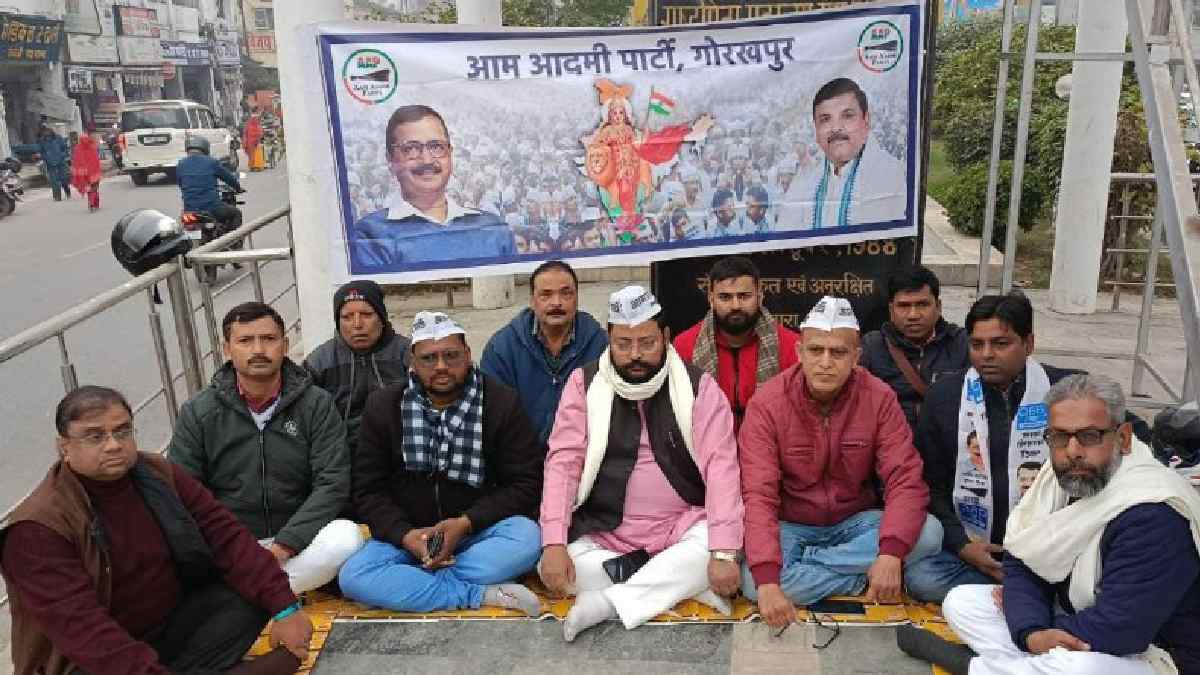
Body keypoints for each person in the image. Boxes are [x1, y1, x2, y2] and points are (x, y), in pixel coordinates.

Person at [901, 374, 1200, 675]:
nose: (1072, 451)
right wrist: (1030, 630)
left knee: (1076, 668)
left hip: (1154, 653)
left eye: (1089, 436)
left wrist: (1039, 631)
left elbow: (1120, 629)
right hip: (1072, 620)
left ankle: (973, 666)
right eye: (1059, 437)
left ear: (1122, 438)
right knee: (962, 602)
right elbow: (1022, 559)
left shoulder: (1152, 511)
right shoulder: (1060, 479)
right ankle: (1022, 667)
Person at [2, 386, 311, 675]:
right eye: (94, 437)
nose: (113, 445)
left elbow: (227, 537)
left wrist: (286, 608)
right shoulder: (37, 528)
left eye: (122, 431)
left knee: (249, 594)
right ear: (64, 447)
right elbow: (83, 630)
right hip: (88, 660)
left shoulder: (157, 474)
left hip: (165, 630)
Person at [903, 292, 1151, 603]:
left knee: (1093, 575)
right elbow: (931, 485)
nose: (987, 355)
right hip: (979, 551)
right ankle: (1025, 598)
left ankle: (1018, 596)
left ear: (1029, 344)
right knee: (922, 578)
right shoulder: (945, 397)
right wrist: (963, 546)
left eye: (1000, 343)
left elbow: (1134, 432)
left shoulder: (1067, 391)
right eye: (977, 345)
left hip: (1055, 549)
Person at [538, 285, 744, 642]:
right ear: (609, 339)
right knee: (557, 566)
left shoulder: (699, 387)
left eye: (647, 343)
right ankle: (675, 585)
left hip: (681, 526)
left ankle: (607, 603)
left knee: (715, 547)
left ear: (665, 336)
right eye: (623, 344)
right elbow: (563, 465)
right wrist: (554, 543)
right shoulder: (583, 384)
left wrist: (723, 553)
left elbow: (721, 470)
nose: (635, 355)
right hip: (605, 531)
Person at [738, 296, 942, 629]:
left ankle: (821, 566)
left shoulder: (879, 398)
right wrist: (768, 579)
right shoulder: (768, 404)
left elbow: (904, 479)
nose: (825, 362)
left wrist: (890, 553)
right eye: (816, 350)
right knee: (754, 582)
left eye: (838, 352)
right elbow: (758, 494)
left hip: (855, 525)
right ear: (799, 352)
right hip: (791, 525)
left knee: (930, 533)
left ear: (856, 357)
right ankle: (865, 577)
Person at [338, 311, 545, 615]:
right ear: (412, 362)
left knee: (528, 537)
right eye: (428, 358)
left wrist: (465, 523)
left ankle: (409, 587)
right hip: (408, 540)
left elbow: (526, 483)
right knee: (353, 576)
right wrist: (405, 535)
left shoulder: (500, 402)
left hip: (476, 534)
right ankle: (478, 593)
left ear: (468, 355)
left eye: (451, 356)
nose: (441, 367)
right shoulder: (384, 406)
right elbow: (368, 490)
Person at [168, 302, 363, 594]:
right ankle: (273, 589)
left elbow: (332, 482)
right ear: (226, 349)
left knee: (347, 537)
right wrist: (234, 546)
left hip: (299, 541)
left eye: (269, 339)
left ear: (285, 345)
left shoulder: (316, 404)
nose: (258, 350)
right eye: (245, 341)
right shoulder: (199, 412)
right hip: (230, 543)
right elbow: (185, 490)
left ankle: (250, 592)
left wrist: (285, 545)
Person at [350, 105, 515, 272]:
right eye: (411, 149)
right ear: (390, 160)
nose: (427, 160)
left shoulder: (494, 229)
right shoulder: (370, 234)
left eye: (436, 147)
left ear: (450, 154)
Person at [479, 260, 608, 443]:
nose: (556, 303)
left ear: (577, 298)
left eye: (566, 293)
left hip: (584, 451)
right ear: (532, 301)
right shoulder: (501, 349)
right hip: (520, 454)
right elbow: (493, 415)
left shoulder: (601, 344)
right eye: (546, 295)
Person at [673, 256, 801, 432]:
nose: (735, 306)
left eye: (744, 296)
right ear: (711, 299)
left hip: (771, 442)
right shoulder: (685, 345)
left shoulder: (790, 345)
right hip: (705, 444)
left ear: (760, 296)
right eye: (725, 297)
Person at [303, 280, 411, 459]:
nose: (357, 324)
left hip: (400, 450)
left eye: (366, 314)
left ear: (382, 318)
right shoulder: (319, 362)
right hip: (339, 455)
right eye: (347, 317)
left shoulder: (407, 354)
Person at [860, 266, 969, 431]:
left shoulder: (961, 343)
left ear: (938, 307)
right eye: (904, 306)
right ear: (891, 310)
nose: (913, 315)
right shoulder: (872, 346)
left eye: (922, 305)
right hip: (891, 439)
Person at [789, 78, 906, 230]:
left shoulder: (893, 174)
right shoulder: (804, 183)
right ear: (816, 130)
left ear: (866, 120)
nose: (836, 128)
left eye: (847, 116)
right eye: (825, 119)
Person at [177, 135, 244, 233]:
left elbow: (180, 183)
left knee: (182, 224)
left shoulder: (181, 164)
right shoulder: (211, 162)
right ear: (205, 148)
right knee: (236, 214)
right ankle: (232, 240)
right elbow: (229, 178)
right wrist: (238, 188)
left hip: (190, 211)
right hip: (212, 209)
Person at [70, 127, 103, 212]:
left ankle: (91, 203)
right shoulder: (92, 147)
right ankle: (94, 203)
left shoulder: (77, 149)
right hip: (94, 173)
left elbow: (76, 162)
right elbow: (96, 160)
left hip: (84, 174)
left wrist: (77, 172)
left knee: (89, 189)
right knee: (94, 188)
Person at [37, 125, 71, 201]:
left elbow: (65, 149)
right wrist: (45, 158)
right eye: (45, 135)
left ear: (52, 133)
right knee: (54, 181)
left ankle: (67, 190)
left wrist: (62, 155)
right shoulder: (42, 141)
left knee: (64, 178)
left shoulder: (58, 138)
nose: (47, 137)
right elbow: (41, 152)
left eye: (49, 135)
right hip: (50, 164)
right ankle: (57, 197)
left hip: (61, 162)